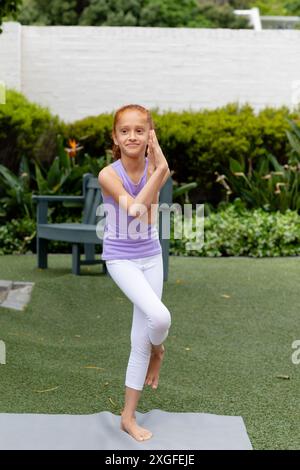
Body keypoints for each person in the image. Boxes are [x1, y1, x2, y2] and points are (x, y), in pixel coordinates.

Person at [98, 104, 172, 442]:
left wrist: (158, 168)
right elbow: (134, 212)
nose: (132, 136)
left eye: (139, 131)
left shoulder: (153, 168)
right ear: (115, 136)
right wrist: (162, 169)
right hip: (121, 259)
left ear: (149, 135)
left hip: (150, 256)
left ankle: (127, 417)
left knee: (140, 336)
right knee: (158, 317)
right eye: (124, 131)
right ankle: (159, 350)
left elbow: (150, 219)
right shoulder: (108, 175)